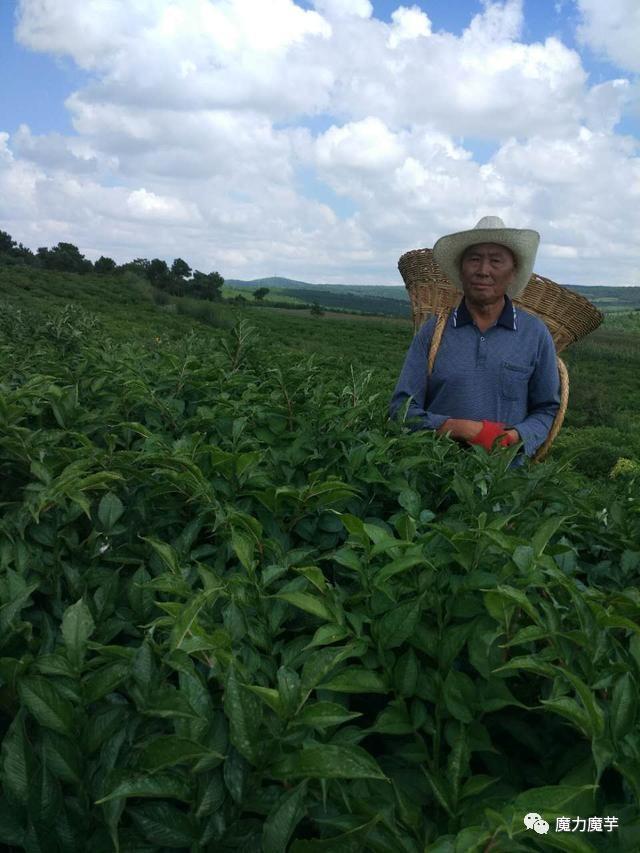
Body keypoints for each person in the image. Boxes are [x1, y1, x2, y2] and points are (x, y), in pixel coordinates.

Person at [390, 216, 560, 461]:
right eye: (474, 259)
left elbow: (546, 410)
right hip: (432, 473)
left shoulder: (535, 334)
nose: (483, 270)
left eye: (496, 261)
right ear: (461, 269)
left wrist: (515, 437)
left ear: (513, 272)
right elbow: (401, 408)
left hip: (503, 482)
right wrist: (459, 428)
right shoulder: (433, 331)